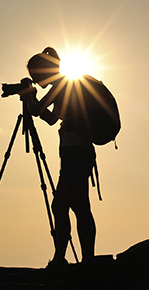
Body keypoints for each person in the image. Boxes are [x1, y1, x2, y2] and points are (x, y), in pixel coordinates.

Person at [23, 47, 96, 268]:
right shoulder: (64, 86)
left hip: (76, 151)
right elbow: (52, 118)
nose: (36, 81)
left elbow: (39, 110)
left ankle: (87, 261)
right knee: (61, 206)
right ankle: (61, 259)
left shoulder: (63, 84)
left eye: (36, 76)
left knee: (79, 205)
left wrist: (29, 98)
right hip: (74, 151)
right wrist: (32, 100)